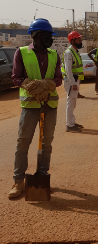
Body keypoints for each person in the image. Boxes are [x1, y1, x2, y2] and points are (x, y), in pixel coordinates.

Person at [9, 18, 62, 198]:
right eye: (46, 36)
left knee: (46, 144)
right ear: (35, 36)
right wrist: (31, 85)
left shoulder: (54, 55)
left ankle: (42, 176)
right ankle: (18, 181)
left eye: (50, 36)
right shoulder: (21, 52)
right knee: (23, 143)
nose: (49, 39)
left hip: (50, 106)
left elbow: (58, 79)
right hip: (30, 107)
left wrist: (47, 85)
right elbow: (15, 77)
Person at [61, 31, 84, 133]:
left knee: (73, 102)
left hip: (75, 79)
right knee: (70, 101)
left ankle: (72, 122)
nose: (80, 41)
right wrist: (73, 83)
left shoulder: (75, 51)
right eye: (78, 40)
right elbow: (68, 69)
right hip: (71, 80)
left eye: (80, 40)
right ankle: (69, 125)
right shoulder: (69, 52)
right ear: (73, 41)